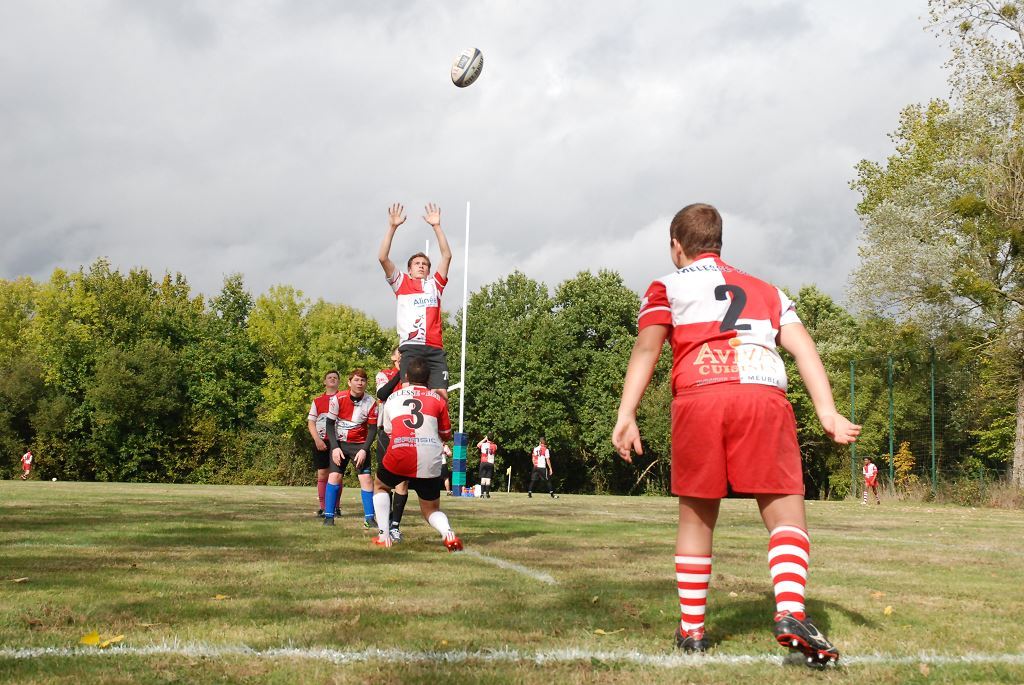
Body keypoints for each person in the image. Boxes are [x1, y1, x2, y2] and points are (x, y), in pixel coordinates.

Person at [611, 203, 861, 666]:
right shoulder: (768, 290)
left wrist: (627, 413)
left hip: (700, 395)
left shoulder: (666, 286)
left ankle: (692, 631)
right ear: (719, 242)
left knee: (697, 518)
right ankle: (790, 611)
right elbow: (804, 348)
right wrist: (827, 412)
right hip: (762, 396)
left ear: (676, 246)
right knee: (784, 510)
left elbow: (647, 348)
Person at [371, 357, 463, 551]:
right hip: (429, 457)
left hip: (400, 453)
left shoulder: (393, 398)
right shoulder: (438, 399)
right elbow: (446, 434)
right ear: (429, 378)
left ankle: (383, 536)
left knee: (380, 486)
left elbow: (388, 431)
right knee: (431, 509)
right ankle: (447, 532)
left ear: (406, 376)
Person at [377, 203, 453, 399]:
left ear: (428, 270)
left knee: (441, 396)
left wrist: (437, 226)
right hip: (411, 347)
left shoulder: (435, 284)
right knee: (409, 394)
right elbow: (383, 257)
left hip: (435, 349)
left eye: (425, 264)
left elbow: (447, 255)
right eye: (417, 263)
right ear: (409, 269)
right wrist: (392, 227)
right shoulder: (401, 283)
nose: (421, 266)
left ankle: (439, 421)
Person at [323, 369, 379, 528]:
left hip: (359, 445)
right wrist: (334, 447)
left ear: (366, 383)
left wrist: (364, 449)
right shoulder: (338, 398)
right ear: (349, 382)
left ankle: (369, 519)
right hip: (340, 444)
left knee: (366, 479)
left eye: (363, 380)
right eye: (356, 380)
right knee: (334, 477)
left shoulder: (371, 402)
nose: (360, 383)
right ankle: (328, 517)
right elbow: (329, 424)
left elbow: (373, 429)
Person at [376, 348, 411, 543]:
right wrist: (400, 372)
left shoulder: (413, 377)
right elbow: (382, 394)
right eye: (400, 352)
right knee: (384, 481)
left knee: (403, 481)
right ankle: (385, 522)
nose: (403, 354)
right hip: (386, 432)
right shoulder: (384, 374)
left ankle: (395, 526)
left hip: (406, 433)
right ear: (393, 357)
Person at [307, 370, 340, 517]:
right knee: (322, 474)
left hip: (338, 441)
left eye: (335, 377)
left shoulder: (343, 398)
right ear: (324, 382)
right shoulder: (317, 401)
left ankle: (335, 507)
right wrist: (317, 440)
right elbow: (311, 422)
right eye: (329, 377)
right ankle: (323, 507)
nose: (332, 379)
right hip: (321, 441)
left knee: (337, 474)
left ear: (339, 382)